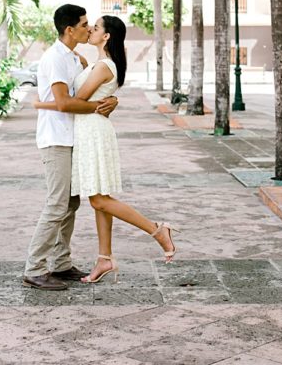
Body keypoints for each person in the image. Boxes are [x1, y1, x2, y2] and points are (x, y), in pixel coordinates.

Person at [34, 15, 177, 284]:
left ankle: (157, 229)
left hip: (93, 132)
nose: (90, 30)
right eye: (88, 25)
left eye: (96, 27)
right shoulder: (89, 63)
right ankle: (105, 259)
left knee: (99, 200)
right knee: (99, 199)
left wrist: (42, 105)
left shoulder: (103, 66)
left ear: (107, 36)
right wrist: (111, 99)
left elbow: (77, 100)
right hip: (86, 131)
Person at [22, 4, 118, 291]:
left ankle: (61, 264)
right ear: (69, 29)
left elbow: (92, 91)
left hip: (74, 137)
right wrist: (99, 108)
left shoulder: (75, 59)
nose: (88, 28)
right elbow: (64, 103)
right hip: (56, 139)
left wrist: (111, 102)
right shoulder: (54, 59)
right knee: (56, 203)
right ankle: (35, 268)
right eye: (84, 24)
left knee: (71, 203)